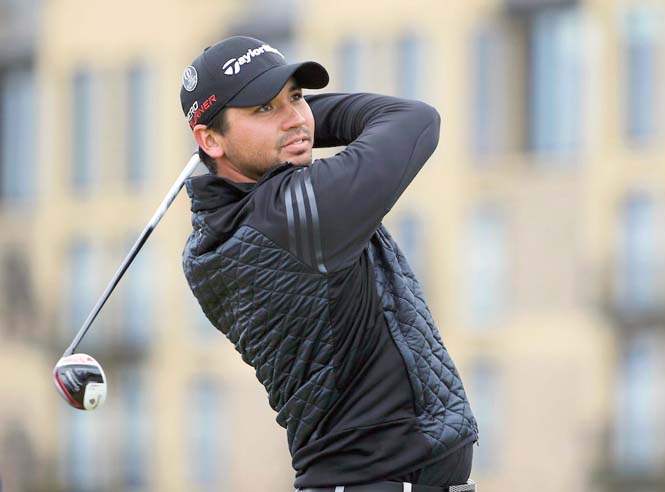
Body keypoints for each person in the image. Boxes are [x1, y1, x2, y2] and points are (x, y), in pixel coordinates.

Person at [179, 36, 479, 492]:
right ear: (210, 140)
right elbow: (415, 120)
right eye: (264, 108)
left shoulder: (216, 238)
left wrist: (286, 120)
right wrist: (306, 119)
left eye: (297, 97)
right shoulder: (295, 216)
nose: (296, 118)